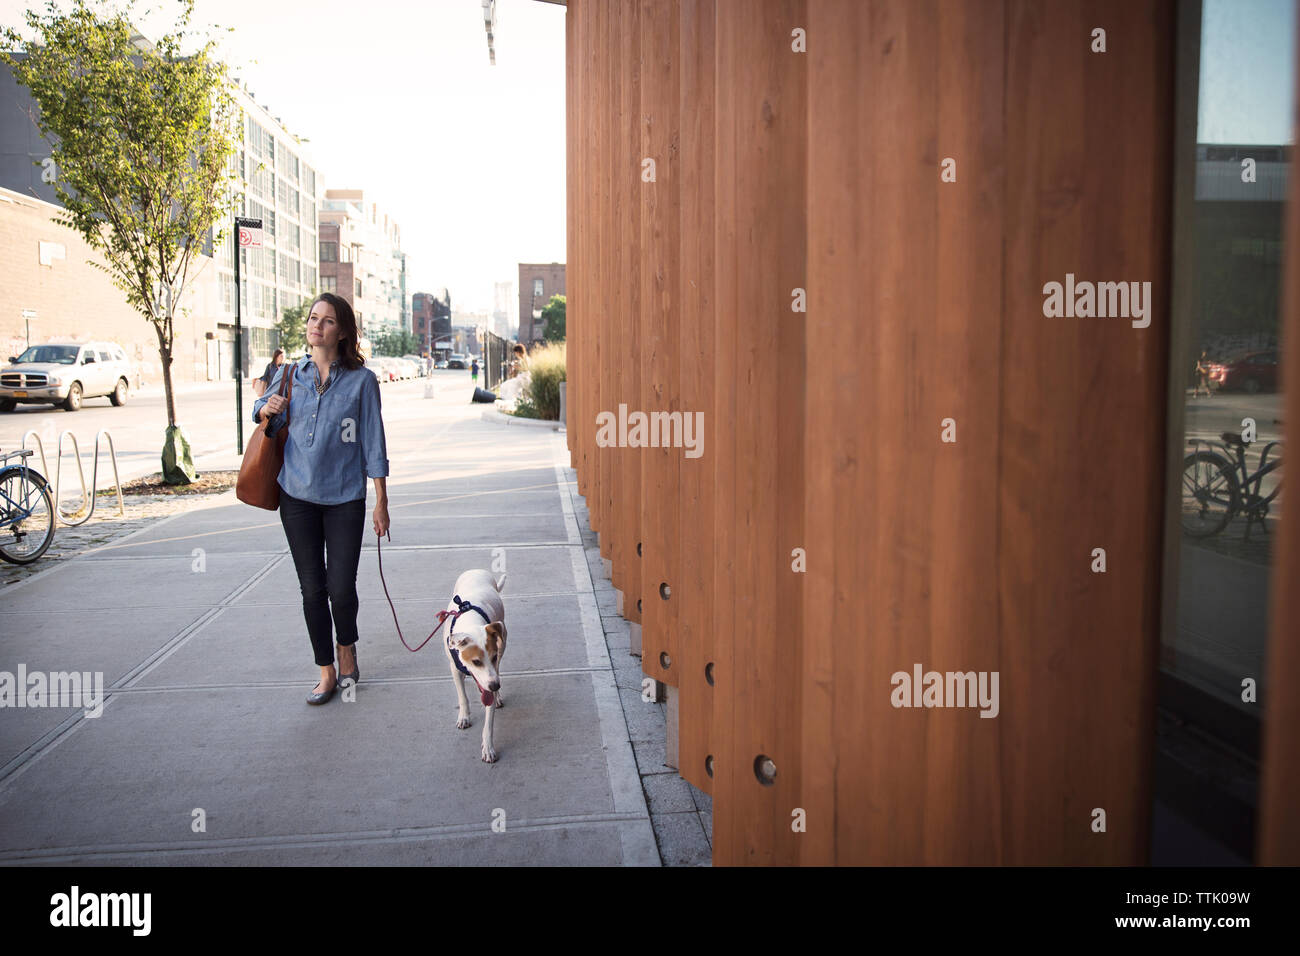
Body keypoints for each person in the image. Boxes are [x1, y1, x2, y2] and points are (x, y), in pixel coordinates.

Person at [252, 293, 390, 705]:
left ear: (342, 331)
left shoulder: (362, 381)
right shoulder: (291, 373)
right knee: (312, 587)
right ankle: (326, 669)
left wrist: (381, 500)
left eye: (328, 320)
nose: (317, 325)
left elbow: (373, 441)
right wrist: (267, 406)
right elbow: (261, 410)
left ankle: (347, 647)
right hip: (297, 495)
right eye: (314, 318)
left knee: (341, 587)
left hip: (345, 497)